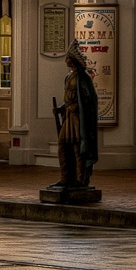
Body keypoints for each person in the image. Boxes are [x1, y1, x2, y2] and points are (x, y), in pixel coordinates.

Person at [54, 46, 98, 189]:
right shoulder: (68, 76)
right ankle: (65, 177)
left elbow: (89, 98)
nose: (65, 60)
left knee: (78, 148)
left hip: (78, 119)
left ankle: (80, 179)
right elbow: (69, 98)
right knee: (63, 147)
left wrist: (78, 107)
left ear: (72, 60)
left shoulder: (83, 77)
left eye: (67, 58)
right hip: (68, 117)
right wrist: (61, 108)